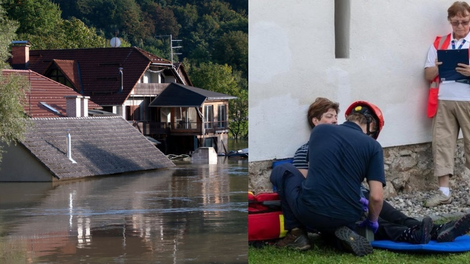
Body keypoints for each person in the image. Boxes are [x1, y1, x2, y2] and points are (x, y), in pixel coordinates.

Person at [290, 98, 470, 249]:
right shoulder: (308, 148)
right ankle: (411, 234)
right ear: (315, 121)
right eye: (329, 117)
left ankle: (429, 229)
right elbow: (308, 182)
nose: (334, 121)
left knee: (389, 213)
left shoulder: (334, 138)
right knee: (373, 219)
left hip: (353, 197)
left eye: (336, 117)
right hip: (336, 201)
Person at [270, 101, 387, 256]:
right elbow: (377, 197)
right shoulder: (373, 146)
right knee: (334, 226)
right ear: (370, 123)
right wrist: (372, 221)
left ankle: (296, 233)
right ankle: (338, 238)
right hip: (349, 215)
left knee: (283, 169)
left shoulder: (320, 131)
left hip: (311, 211)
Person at [424, 1, 470, 207]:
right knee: (442, 144)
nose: (460, 26)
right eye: (456, 22)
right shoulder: (439, 43)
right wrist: (437, 68)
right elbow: (427, 75)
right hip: (444, 100)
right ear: (450, 22)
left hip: (468, 100)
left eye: (465, 22)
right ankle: (444, 192)